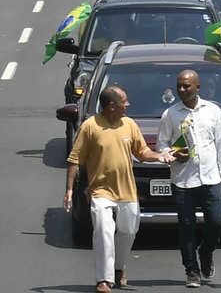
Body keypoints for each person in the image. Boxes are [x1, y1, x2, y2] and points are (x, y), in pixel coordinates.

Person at [65, 86, 174, 293]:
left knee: (128, 231)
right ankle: (103, 280)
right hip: (100, 191)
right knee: (104, 231)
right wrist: (69, 189)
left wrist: (160, 156)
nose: (128, 105)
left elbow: (142, 152)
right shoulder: (90, 126)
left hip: (127, 191)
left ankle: (118, 267)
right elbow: (74, 160)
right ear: (112, 106)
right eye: (124, 102)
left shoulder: (129, 124)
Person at [160, 70, 221, 288]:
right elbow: (162, 145)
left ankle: (206, 252)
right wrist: (175, 154)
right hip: (183, 181)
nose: (182, 90)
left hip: (210, 179)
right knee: (186, 227)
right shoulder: (171, 115)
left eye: (187, 86)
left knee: (216, 223)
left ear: (197, 87)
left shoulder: (213, 111)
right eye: (179, 86)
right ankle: (191, 270)